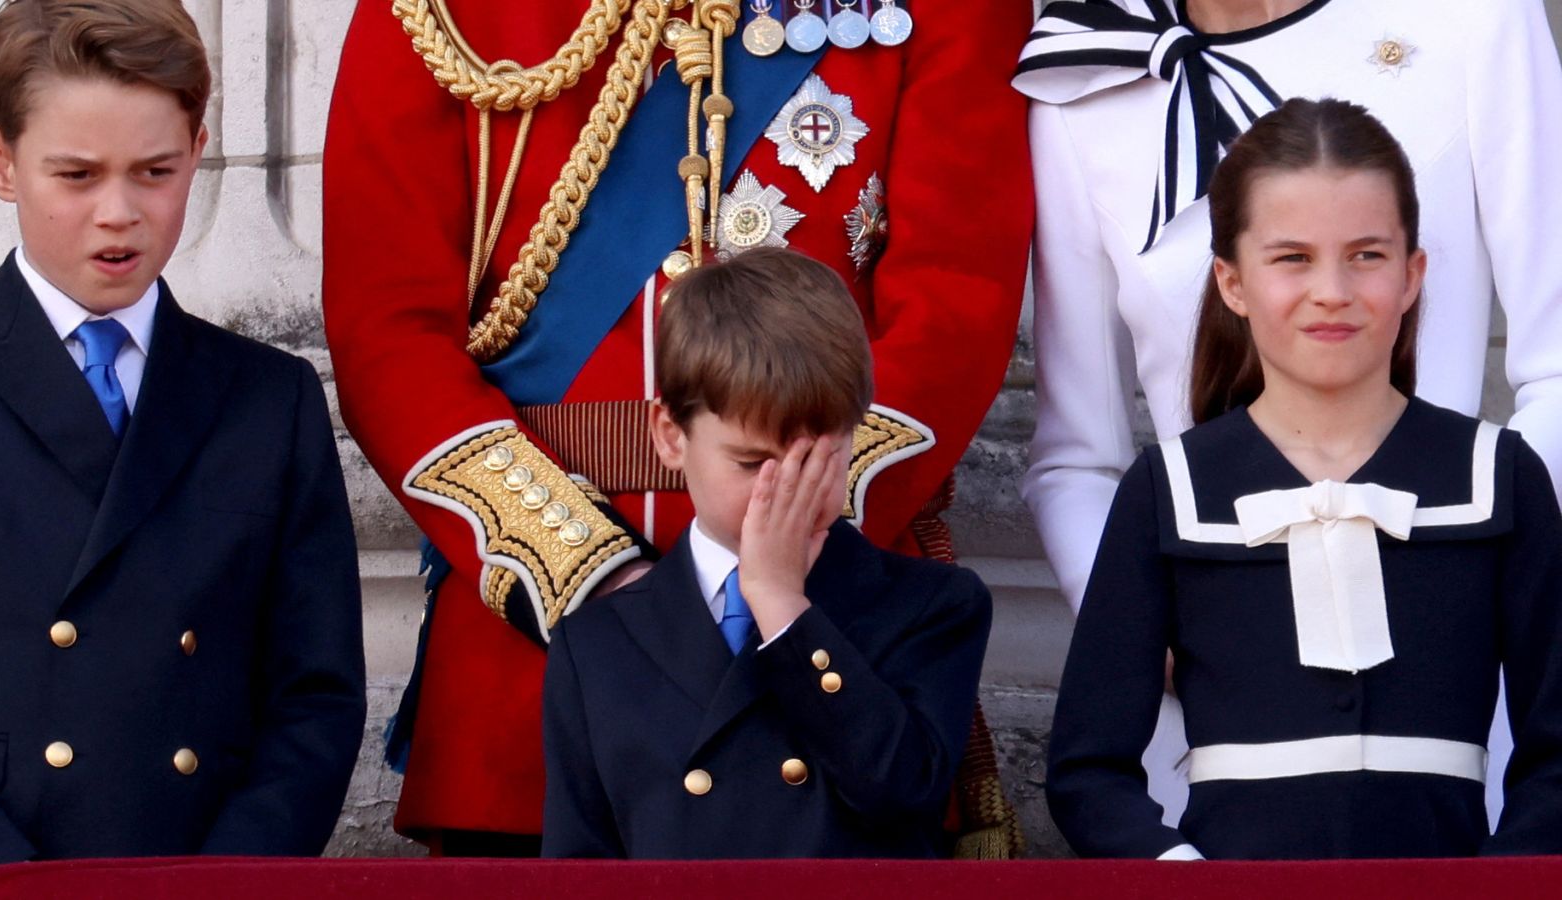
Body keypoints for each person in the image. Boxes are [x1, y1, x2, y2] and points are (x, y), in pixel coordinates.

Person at [323, 0, 1032, 855]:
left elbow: (954, 312)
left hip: (831, 643)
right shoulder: (440, 14)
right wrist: (586, 578)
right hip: (531, 672)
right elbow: (386, 331)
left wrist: (785, 560)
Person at [1013, 0, 1562, 825]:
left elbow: (1558, 367)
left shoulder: (1476, 18)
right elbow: (1076, 458)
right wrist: (1150, 622)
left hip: (1446, 705)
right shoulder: (1086, 78)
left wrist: (1465, 572)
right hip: (1216, 722)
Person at [0, 0, 366, 867]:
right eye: (76, 175)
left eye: (154, 171)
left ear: (199, 149)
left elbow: (315, 699)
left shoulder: (269, 399)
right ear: (0, 161)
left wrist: (221, 885)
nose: (120, 212)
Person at [541, 247, 991, 858]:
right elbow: (578, 867)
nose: (786, 491)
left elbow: (901, 792)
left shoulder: (930, 605)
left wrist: (784, 608)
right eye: (753, 463)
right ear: (670, 435)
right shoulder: (596, 641)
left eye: (818, 460)